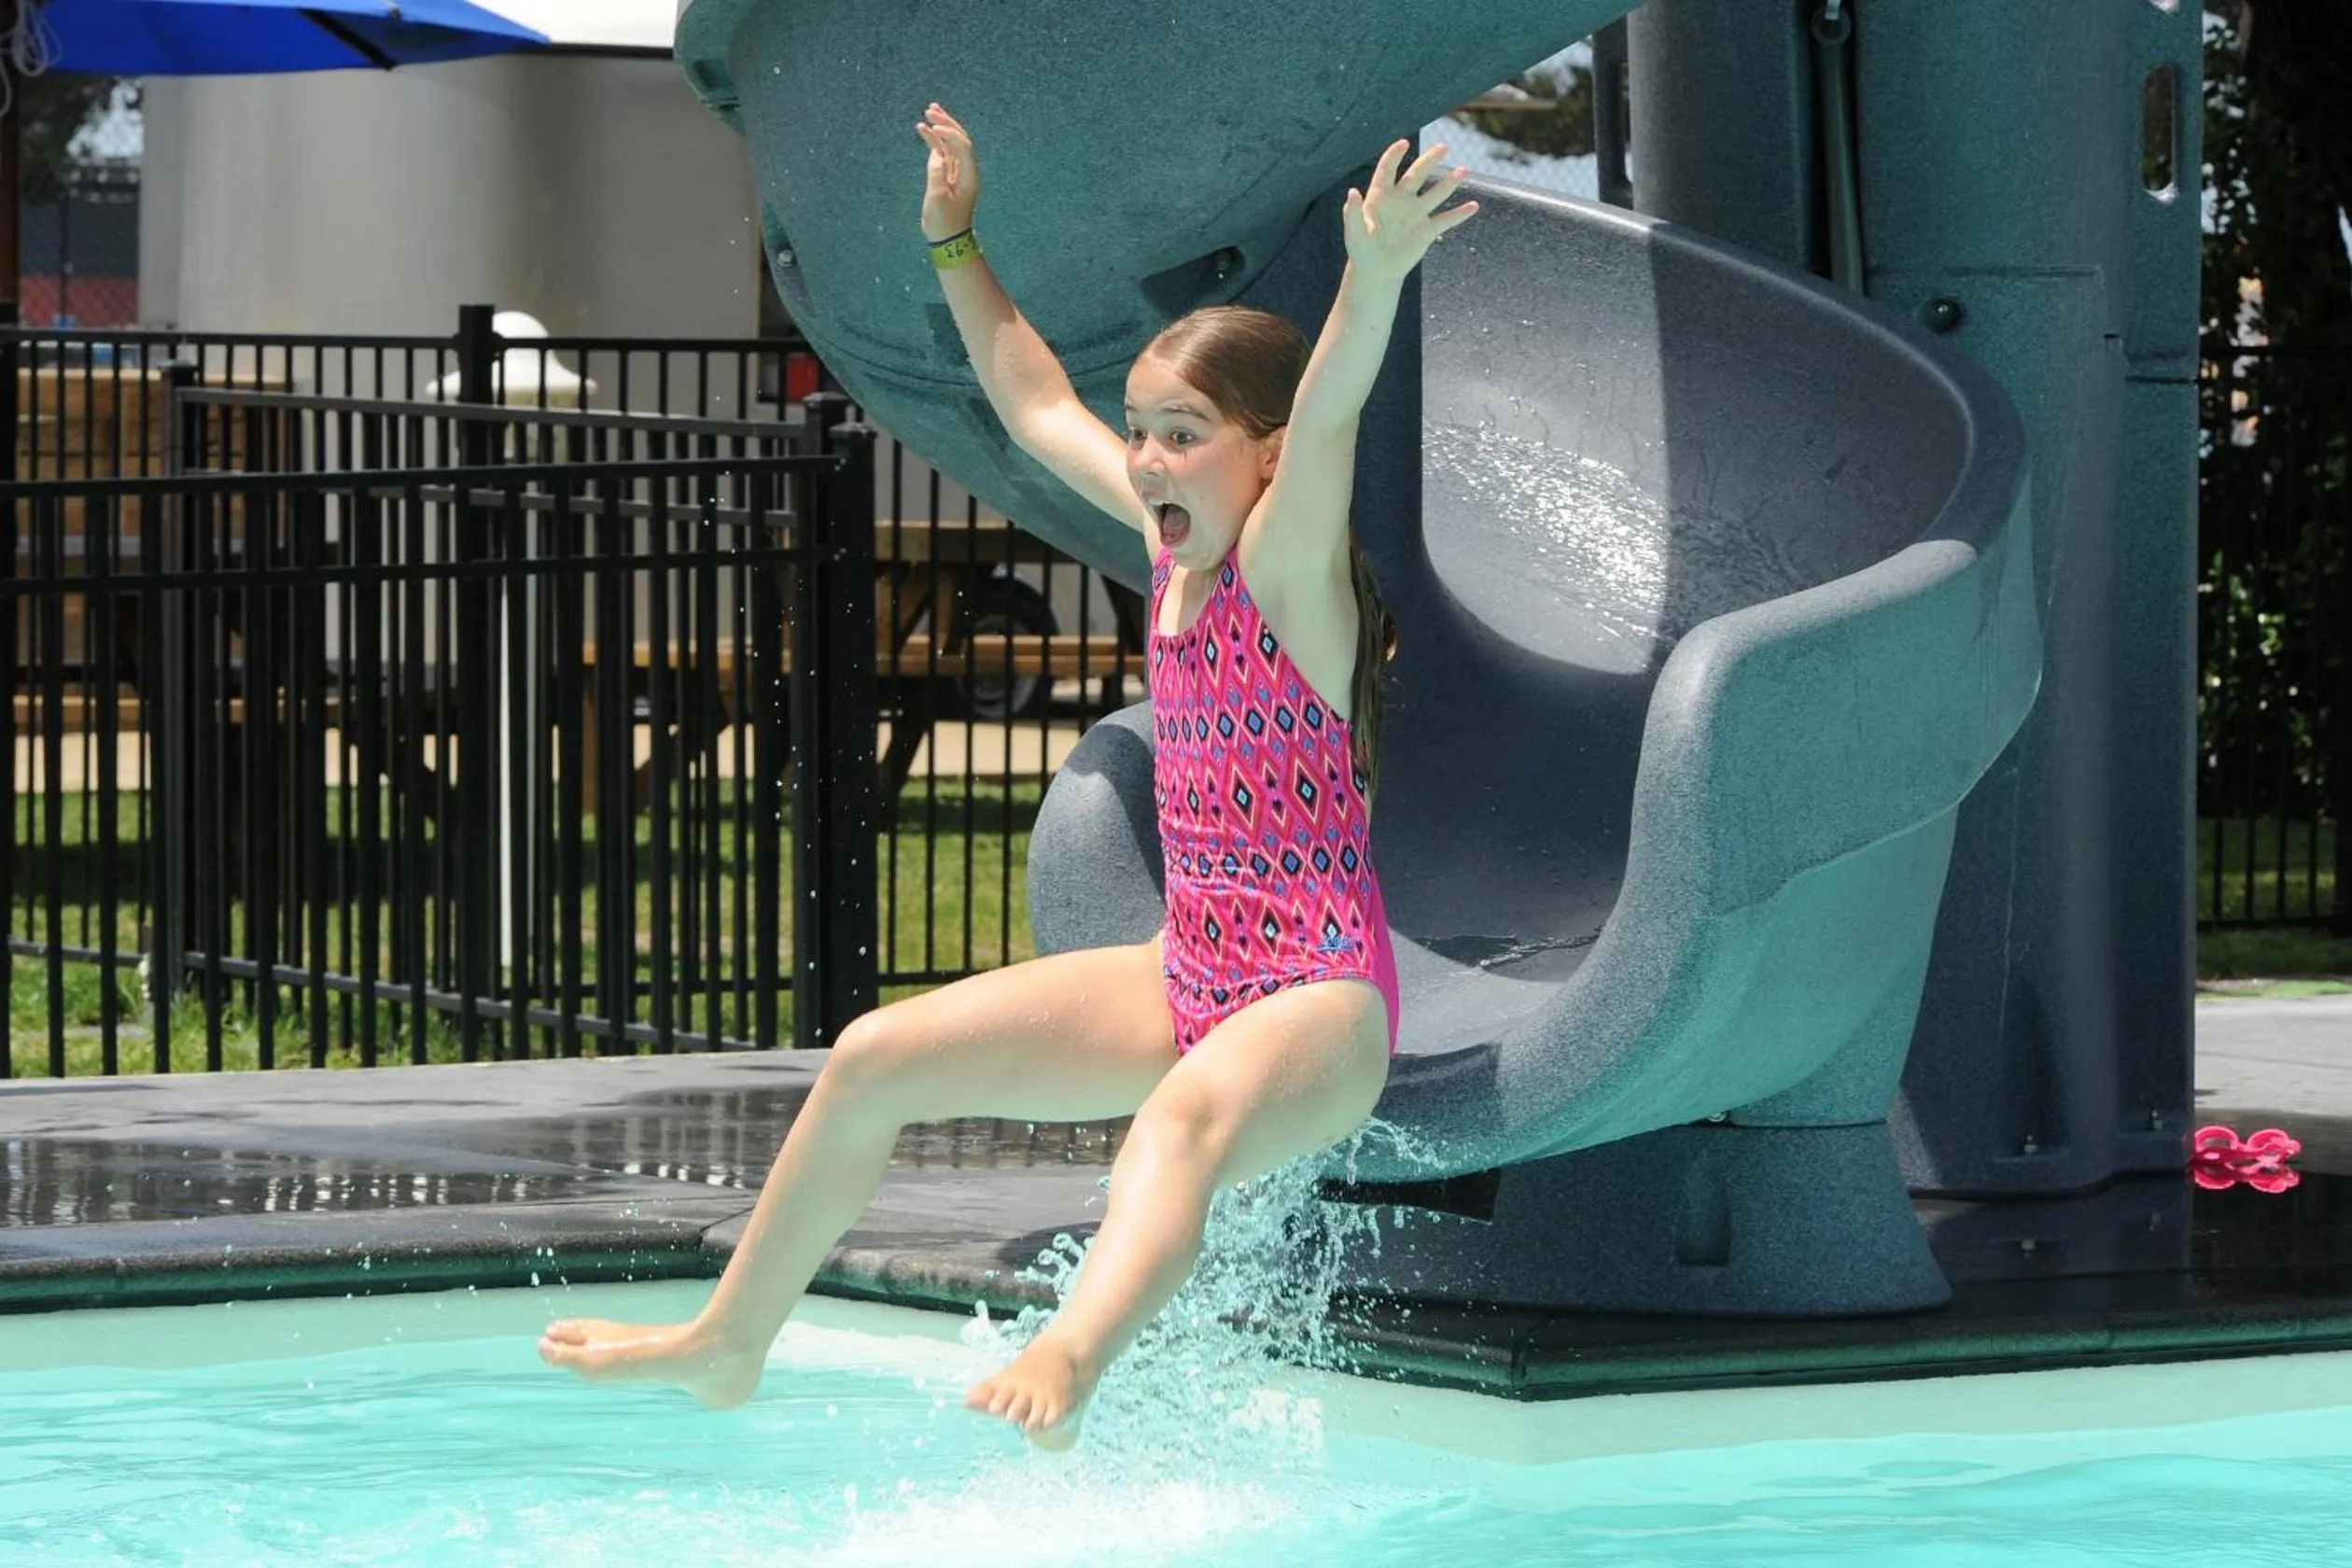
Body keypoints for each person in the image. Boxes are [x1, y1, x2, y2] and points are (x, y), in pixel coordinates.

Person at [538, 101, 1478, 1449]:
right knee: (872, 1057)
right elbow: (1034, 395)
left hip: (1321, 994)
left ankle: (1072, 1357)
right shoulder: (1172, 555)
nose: (1147, 458)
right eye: (1143, 431)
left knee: (1176, 1129)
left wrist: (1373, 278)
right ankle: (726, 1339)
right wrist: (954, 240)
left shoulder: (1287, 570)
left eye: (1183, 433)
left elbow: (1329, 418)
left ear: (1263, 459)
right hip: (1194, 965)